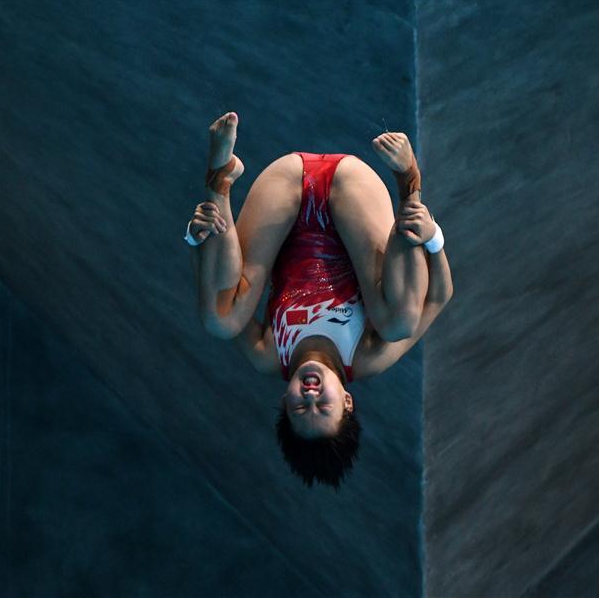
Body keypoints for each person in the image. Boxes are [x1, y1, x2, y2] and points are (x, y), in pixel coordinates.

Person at [186, 112, 453, 488]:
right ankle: (410, 185)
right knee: (400, 323)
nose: (310, 396)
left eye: (300, 406)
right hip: (352, 189)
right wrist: (432, 239)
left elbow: (217, 291)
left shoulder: (268, 352)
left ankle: (220, 179)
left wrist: (197, 243)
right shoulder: (365, 357)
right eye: (322, 406)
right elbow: (440, 296)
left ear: (284, 402)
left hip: (286, 188)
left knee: (220, 321)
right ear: (346, 401)